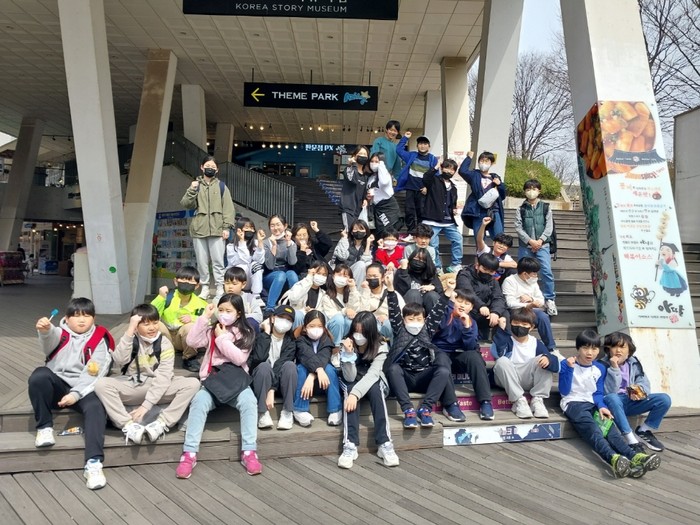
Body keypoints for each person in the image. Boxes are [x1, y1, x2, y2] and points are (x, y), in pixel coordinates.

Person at [30, 297, 113, 490]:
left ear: (94, 318)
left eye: (87, 315)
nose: (82, 320)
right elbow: (50, 339)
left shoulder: (99, 339)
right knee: (39, 376)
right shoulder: (60, 333)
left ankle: (93, 463)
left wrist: (75, 394)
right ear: (67, 319)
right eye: (76, 316)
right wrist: (45, 331)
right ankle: (44, 427)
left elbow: (95, 373)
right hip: (58, 386)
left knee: (96, 407)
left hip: (84, 388)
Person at [177, 295, 262, 478]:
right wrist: (204, 318)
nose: (223, 314)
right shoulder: (212, 330)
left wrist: (222, 339)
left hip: (235, 381)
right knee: (199, 401)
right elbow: (192, 342)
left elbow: (239, 358)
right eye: (221, 309)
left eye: (228, 311)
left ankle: (249, 451)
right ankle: (189, 453)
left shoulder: (246, 332)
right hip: (213, 380)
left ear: (238, 313)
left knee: (249, 402)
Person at [559, 329, 660, 478]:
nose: (590, 353)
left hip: (593, 404)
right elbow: (564, 391)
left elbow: (598, 393)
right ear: (578, 348)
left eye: (594, 348)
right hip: (573, 404)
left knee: (610, 430)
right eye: (585, 348)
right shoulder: (567, 363)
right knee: (594, 431)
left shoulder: (599, 368)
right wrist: (569, 369)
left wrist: (602, 407)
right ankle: (613, 458)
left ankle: (635, 457)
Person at [94, 304, 200, 444]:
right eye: (146, 324)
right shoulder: (131, 339)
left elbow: (164, 377)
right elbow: (119, 360)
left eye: (155, 323)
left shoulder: (165, 343)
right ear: (137, 325)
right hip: (134, 386)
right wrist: (130, 330)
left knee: (193, 383)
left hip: (159, 387)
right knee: (101, 384)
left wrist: (146, 406)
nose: (152, 328)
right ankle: (128, 425)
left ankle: (162, 423)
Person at [383, 270, 462, 428]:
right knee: (393, 369)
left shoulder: (427, 329)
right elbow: (393, 311)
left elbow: (438, 310)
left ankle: (425, 409)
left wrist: (448, 291)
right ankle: (408, 411)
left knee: (443, 371)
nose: (414, 321)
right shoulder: (400, 329)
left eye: (418, 319)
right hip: (405, 377)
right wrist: (390, 288)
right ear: (404, 320)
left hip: (424, 376)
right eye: (410, 319)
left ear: (424, 320)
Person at [337, 312, 399, 469]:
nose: (358, 336)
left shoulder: (381, 345)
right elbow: (349, 377)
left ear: (371, 332)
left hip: (372, 378)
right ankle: (350, 444)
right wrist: (348, 354)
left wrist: (356, 394)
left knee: (376, 389)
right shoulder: (347, 342)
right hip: (352, 379)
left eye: (363, 332)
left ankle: (385, 443)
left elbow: (373, 374)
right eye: (356, 331)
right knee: (349, 389)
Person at [601, 332, 671, 452]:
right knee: (613, 397)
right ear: (608, 350)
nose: (618, 351)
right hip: (613, 404)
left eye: (622, 347)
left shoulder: (633, 363)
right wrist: (614, 368)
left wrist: (640, 391)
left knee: (664, 399)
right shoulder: (602, 365)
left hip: (631, 401)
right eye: (614, 347)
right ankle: (631, 440)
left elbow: (644, 382)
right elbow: (609, 391)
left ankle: (643, 430)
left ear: (629, 350)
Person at [180, 155, 235, 299]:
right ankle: (204, 287)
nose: (210, 168)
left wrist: (226, 227)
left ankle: (219, 287)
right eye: (207, 166)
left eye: (213, 167)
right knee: (202, 261)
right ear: (202, 167)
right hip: (199, 229)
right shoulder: (196, 185)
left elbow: (228, 208)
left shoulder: (221, 186)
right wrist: (192, 189)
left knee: (218, 261)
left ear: (217, 170)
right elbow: (186, 204)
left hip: (217, 230)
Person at [431, 287, 489, 421]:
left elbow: (470, 347)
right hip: (439, 355)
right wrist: (450, 306)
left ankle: (485, 401)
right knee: (442, 358)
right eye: (459, 301)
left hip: (458, 357)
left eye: (467, 303)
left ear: (471, 307)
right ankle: (451, 404)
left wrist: (467, 327)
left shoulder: (471, 322)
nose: (462, 305)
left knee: (474, 356)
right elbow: (441, 328)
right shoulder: (443, 314)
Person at [491, 307, 559, 419]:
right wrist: (502, 331)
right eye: (516, 323)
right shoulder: (505, 339)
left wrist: (548, 359)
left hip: (528, 379)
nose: (520, 326)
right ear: (510, 323)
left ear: (531, 327)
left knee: (544, 359)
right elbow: (497, 353)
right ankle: (519, 401)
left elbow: (555, 364)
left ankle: (537, 400)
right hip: (507, 379)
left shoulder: (535, 343)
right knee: (502, 361)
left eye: (524, 324)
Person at [249, 305, 298, 431]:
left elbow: (280, 365)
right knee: (264, 366)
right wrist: (266, 333)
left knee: (290, 366)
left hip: (280, 384)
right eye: (281, 317)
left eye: (288, 319)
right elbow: (258, 358)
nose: (284, 321)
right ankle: (262, 412)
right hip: (261, 382)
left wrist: (272, 389)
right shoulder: (260, 336)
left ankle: (287, 412)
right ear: (272, 318)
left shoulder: (291, 342)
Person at [151, 265, 208, 373]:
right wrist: (161, 297)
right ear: (176, 281)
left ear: (197, 286)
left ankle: (189, 358)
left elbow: (207, 322)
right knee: (155, 324)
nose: (186, 283)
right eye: (183, 280)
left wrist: (193, 318)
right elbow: (151, 314)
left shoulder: (201, 304)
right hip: (166, 337)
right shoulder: (168, 296)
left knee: (191, 327)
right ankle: (156, 357)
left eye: (190, 281)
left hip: (183, 340)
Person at [514, 179, 557, 316]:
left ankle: (549, 299)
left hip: (543, 245)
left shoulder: (546, 207)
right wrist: (530, 241)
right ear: (524, 191)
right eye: (528, 189)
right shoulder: (520, 209)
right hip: (526, 246)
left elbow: (549, 226)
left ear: (539, 191)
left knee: (546, 272)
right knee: (524, 272)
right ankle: (524, 298)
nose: (531, 192)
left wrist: (540, 241)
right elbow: (518, 227)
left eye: (534, 189)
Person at [292, 310, 343, 427]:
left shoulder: (327, 340)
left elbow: (324, 357)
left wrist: (313, 375)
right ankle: (300, 408)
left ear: (324, 328)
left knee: (329, 369)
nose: (316, 329)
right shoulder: (300, 340)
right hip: (304, 384)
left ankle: (335, 409)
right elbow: (306, 355)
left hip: (323, 383)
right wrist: (317, 371)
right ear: (305, 327)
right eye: (312, 326)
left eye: (320, 326)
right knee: (301, 368)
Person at [500, 257, 557, 353]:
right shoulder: (510, 281)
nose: (536, 276)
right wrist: (527, 305)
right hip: (514, 311)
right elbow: (510, 303)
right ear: (525, 274)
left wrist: (531, 299)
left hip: (530, 311)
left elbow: (541, 300)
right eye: (534, 273)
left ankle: (551, 348)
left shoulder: (533, 282)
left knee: (543, 317)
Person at [456, 253, 509, 342]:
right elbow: (468, 293)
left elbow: (498, 298)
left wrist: (495, 312)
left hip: (485, 313)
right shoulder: (464, 275)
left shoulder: (493, 281)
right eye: (484, 269)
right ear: (477, 266)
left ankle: (500, 344)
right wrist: (481, 305)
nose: (487, 273)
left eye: (491, 272)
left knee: (504, 314)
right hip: (469, 310)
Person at [422, 158, 463, 274]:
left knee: (458, 239)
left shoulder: (454, 187)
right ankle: (437, 266)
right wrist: (435, 167)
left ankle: (455, 264)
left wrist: (453, 209)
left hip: (448, 221)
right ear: (442, 168)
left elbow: (452, 203)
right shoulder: (434, 180)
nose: (449, 171)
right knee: (433, 244)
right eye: (447, 168)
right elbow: (425, 178)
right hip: (432, 219)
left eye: (452, 169)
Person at [395, 132, 437, 232]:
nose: (422, 146)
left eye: (425, 144)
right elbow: (399, 150)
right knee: (409, 211)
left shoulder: (432, 159)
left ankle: (420, 233)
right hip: (410, 188)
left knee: (421, 212)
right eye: (420, 143)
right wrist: (405, 138)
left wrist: (428, 188)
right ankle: (410, 232)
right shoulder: (412, 155)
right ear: (417, 145)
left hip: (423, 190)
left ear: (429, 146)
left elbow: (435, 176)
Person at [458, 151, 505, 239]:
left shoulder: (495, 177)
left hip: (494, 210)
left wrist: (500, 185)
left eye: (486, 161)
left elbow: (502, 196)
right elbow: (462, 171)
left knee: (499, 237)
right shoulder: (474, 175)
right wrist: (469, 158)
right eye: (482, 161)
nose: (484, 163)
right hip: (478, 211)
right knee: (479, 238)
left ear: (491, 163)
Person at [358, 262, 404, 343]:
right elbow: (362, 313)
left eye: (375, 276)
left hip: (387, 327)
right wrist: (366, 291)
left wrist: (388, 317)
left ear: (382, 278)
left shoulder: (392, 293)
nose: (371, 279)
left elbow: (401, 314)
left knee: (389, 324)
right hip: (370, 326)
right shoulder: (362, 292)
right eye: (368, 276)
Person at [262, 214, 298, 314]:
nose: (276, 228)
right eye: (272, 225)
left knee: (292, 274)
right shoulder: (266, 243)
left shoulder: (291, 242)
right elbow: (269, 266)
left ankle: (296, 305)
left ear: (285, 226)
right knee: (280, 275)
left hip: (285, 272)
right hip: (270, 275)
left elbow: (292, 262)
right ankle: (270, 307)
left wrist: (289, 243)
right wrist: (274, 246)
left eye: (278, 224)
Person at [319, 263, 361, 350]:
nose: (342, 278)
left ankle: (346, 345)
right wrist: (345, 311)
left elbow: (355, 309)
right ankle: (335, 347)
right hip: (332, 327)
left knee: (350, 321)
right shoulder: (326, 296)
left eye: (345, 276)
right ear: (333, 276)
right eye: (339, 275)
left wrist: (353, 288)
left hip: (346, 328)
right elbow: (331, 315)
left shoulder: (352, 292)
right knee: (339, 319)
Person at [394, 247, 444, 313]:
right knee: (413, 293)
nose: (418, 262)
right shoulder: (402, 271)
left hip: (428, 305)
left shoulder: (430, 273)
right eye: (416, 258)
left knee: (432, 295)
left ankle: (435, 318)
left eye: (422, 260)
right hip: (408, 305)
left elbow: (440, 291)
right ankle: (415, 318)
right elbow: (400, 291)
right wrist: (404, 271)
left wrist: (433, 287)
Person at [282, 260, 330, 327]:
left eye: (324, 275)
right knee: (298, 315)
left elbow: (323, 310)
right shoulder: (300, 285)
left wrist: (314, 312)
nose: (321, 276)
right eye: (318, 273)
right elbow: (293, 299)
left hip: (313, 322)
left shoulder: (323, 293)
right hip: (298, 318)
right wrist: (308, 278)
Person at [225, 216, 265, 297]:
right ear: (239, 230)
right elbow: (242, 261)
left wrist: (260, 242)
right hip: (236, 279)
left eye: (252, 228)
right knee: (241, 266)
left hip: (251, 280)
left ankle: (256, 295)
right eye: (247, 228)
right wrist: (242, 242)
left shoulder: (256, 243)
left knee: (256, 265)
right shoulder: (231, 246)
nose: (250, 230)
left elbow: (260, 261)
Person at [329, 220, 374, 289]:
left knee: (363, 264)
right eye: (355, 229)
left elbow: (366, 263)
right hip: (342, 271)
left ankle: (355, 290)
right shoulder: (345, 241)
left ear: (366, 232)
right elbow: (342, 256)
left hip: (357, 273)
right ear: (352, 232)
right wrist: (344, 238)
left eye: (361, 229)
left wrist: (368, 244)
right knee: (361, 264)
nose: (358, 231)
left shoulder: (367, 246)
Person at [366, 153, 402, 236]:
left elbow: (384, 182)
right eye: (372, 161)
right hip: (377, 207)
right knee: (378, 232)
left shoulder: (385, 175)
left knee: (388, 232)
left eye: (376, 161)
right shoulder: (371, 177)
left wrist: (381, 164)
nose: (373, 164)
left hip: (387, 207)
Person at [475, 217, 517, 283]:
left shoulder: (505, 257)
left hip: (496, 282)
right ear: (494, 243)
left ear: (507, 249)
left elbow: (514, 265)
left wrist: (496, 264)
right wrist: (483, 225)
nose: (501, 246)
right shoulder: (486, 250)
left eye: (505, 245)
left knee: (513, 271)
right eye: (499, 243)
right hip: (480, 278)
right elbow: (479, 240)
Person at [340, 146, 372, 231]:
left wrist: (365, 199)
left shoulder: (365, 175)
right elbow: (353, 179)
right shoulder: (348, 169)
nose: (362, 156)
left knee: (358, 234)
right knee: (349, 232)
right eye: (360, 154)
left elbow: (365, 191)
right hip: (348, 209)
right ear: (354, 156)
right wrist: (353, 164)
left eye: (365, 154)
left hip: (359, 210)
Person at [223, 266, 263, 332]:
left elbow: (259, 316)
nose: (230, 287)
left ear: (243, 284)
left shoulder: (249, 298)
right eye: (227, 283)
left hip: (245, 330)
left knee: (252, 322)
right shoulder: (220, 299)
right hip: (227, 330)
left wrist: (240, 316)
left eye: (234, 284)